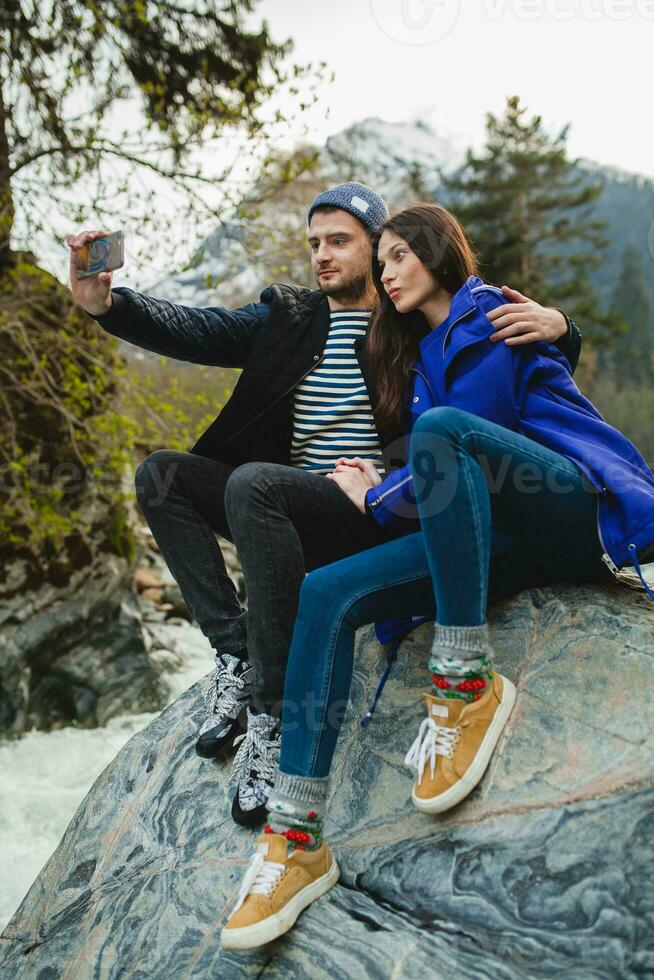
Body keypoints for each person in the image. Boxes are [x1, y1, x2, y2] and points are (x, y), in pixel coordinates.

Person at [67, 185, 579, 828]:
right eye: (314, 243)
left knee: (255, 481)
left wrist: (564, 326)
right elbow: (200, 329)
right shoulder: (289, 317)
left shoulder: (410, 320)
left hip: (371, 513)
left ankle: (272, 721)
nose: (322, 256)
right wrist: (109, 304)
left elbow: (495, 366)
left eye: (340, 241)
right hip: (279, 509)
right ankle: (237, 655)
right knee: (162, 475)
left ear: (381, 246)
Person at [220, 203, 654, 951]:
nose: (385, 273)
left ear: (436, 253)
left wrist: (376, 492)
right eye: (379, 261)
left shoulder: (492, 313)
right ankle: (295, 838)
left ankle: (464, 686)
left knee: (440, 431)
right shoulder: (420, 360)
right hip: (495, 534)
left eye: (397, 256)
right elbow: (444, 489)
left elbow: (475, 437)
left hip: (570, 508)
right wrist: (380, 491)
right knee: (327, 594)